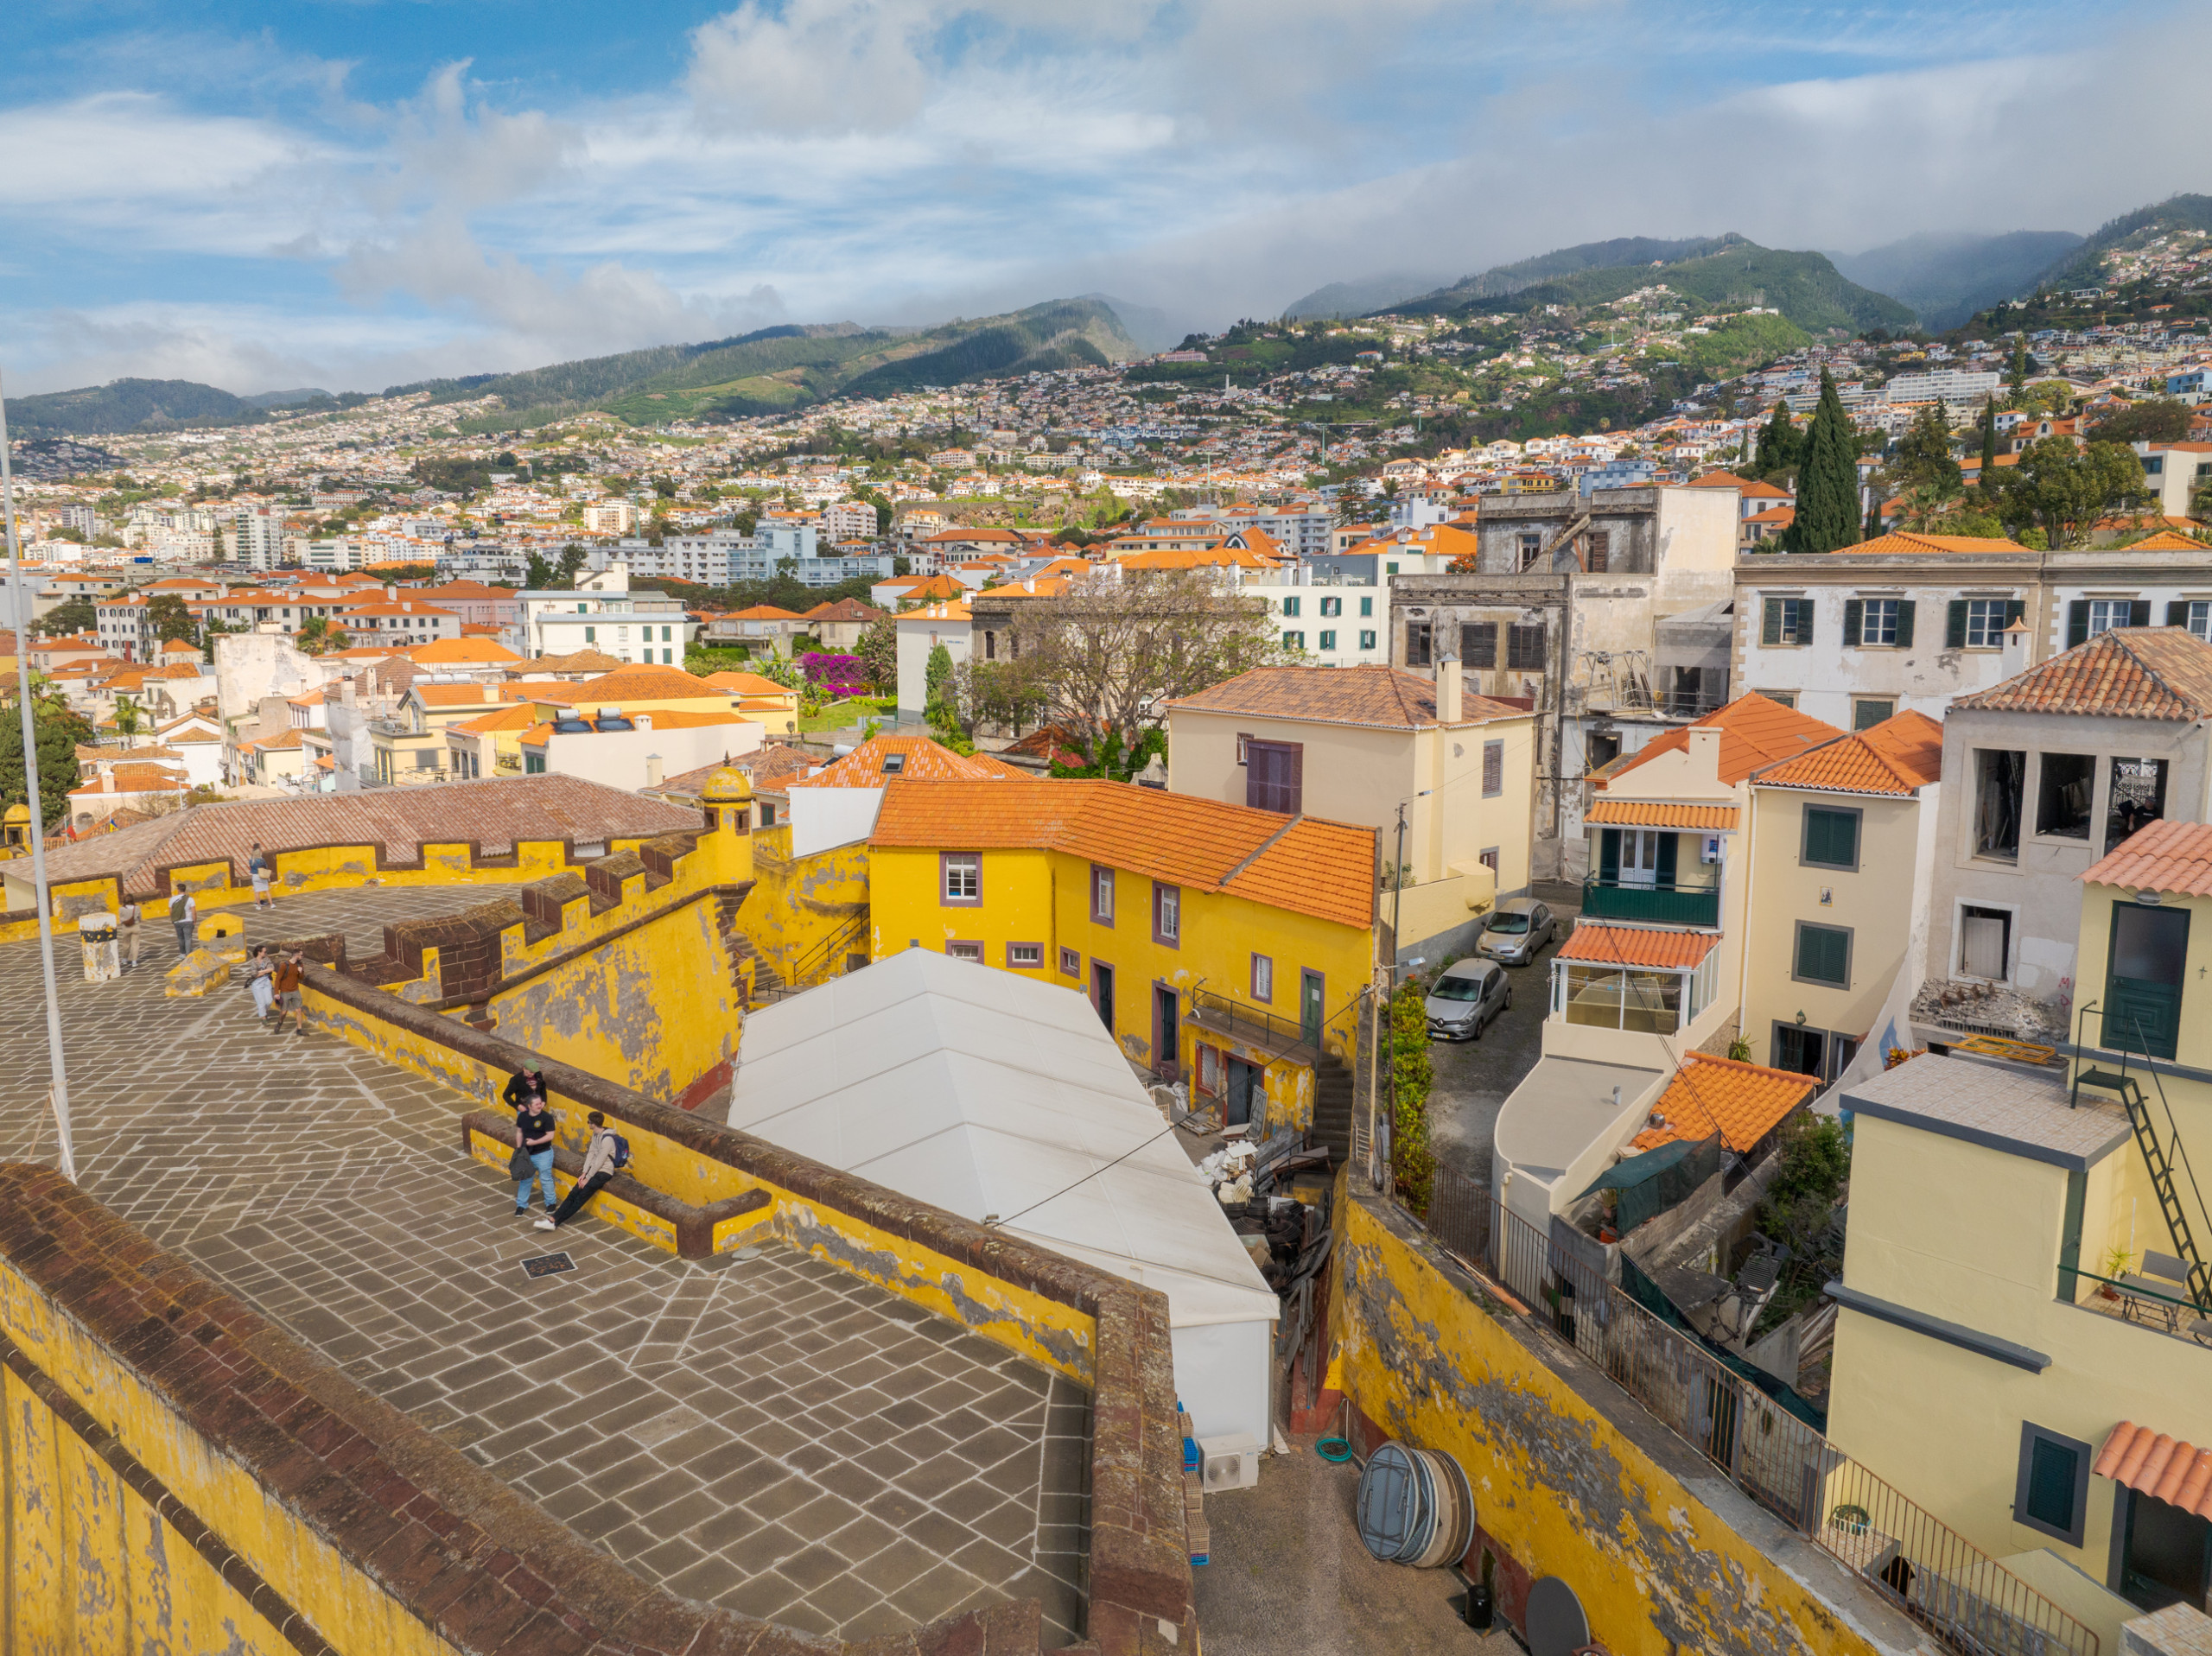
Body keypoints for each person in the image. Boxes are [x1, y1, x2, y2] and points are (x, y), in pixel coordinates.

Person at [538, 1111, 625, 1230]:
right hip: (594, 1169)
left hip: (604, 1172)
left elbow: (600, 1160)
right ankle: (553, 1220)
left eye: (589, 1122)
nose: (588, 1124)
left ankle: (555, 1221)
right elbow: (591, 1153)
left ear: (593, 1124)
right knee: (574, 1192)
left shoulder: (607, 1140)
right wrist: (584, 1173)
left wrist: (588, 1178)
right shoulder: (596, 1135)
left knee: (580, 1197)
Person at [512, 1094, 559, 1218]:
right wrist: (519, 1149)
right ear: (530, 1106)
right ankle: (521, 1205)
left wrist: (535, 1142)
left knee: (546, 1179)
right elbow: (519, 1132)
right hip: (527, 1154)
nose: (540, 1105)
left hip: (543, 1153)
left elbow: (550, 1136)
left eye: (540, 1103)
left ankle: (551, 1203)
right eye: (537, 1104)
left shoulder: (546, 1118)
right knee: (525, 1179)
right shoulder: (522, 1116)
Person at [269, 949, 307, 1035]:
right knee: (284, 1012)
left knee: (299, 1010)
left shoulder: (300, 965)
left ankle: (299, 1029)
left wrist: (300, 972)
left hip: (295, 990)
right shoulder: (285, 965)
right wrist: (276, 993)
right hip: (285, 991)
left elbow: (301, 978)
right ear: (296, 955)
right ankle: (279, 1023)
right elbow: (278, 979)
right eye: (301, 955)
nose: (302, 957)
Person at [244, 945, 276, 1023]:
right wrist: (266, 971)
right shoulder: (254, 962)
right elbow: (254, 974)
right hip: (257, 984)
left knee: (269, 1001)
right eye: (264, 952)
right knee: (261, 1002)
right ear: (259, 952)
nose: (266, 953)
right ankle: (263, 1017)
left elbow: (271, 968)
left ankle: (263, 1012)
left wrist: (261, 972)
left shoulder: (266, 959)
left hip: (266, 982)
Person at [168, 886, 196, 955]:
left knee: (180, 938)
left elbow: (171, 911)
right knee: (188, 938)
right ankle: (188, 953)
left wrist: (173, 919)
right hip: (188, 921)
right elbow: (194, 912)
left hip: (177, 921)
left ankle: (182, 953)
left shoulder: (172, 899)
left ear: (178, 890)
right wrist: (194, 920)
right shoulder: (190, 899)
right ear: (185, 889)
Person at [117, 898, 141, 972]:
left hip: (126, 928)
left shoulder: (121, 909)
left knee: (126, 944)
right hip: (135, 926)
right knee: (135, 944)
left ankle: (124, 959)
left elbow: (121, 919)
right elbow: (140, 917)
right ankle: (134, 961)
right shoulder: (137, 908)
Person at [248, 843, 273, 910]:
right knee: (267, 890)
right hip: (262, 875)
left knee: (257, 892)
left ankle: (259, 906)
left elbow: (251, 868)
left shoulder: (251, 861)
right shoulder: (262, 860)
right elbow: (266, 866)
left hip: (255, 876)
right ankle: (271, 904)